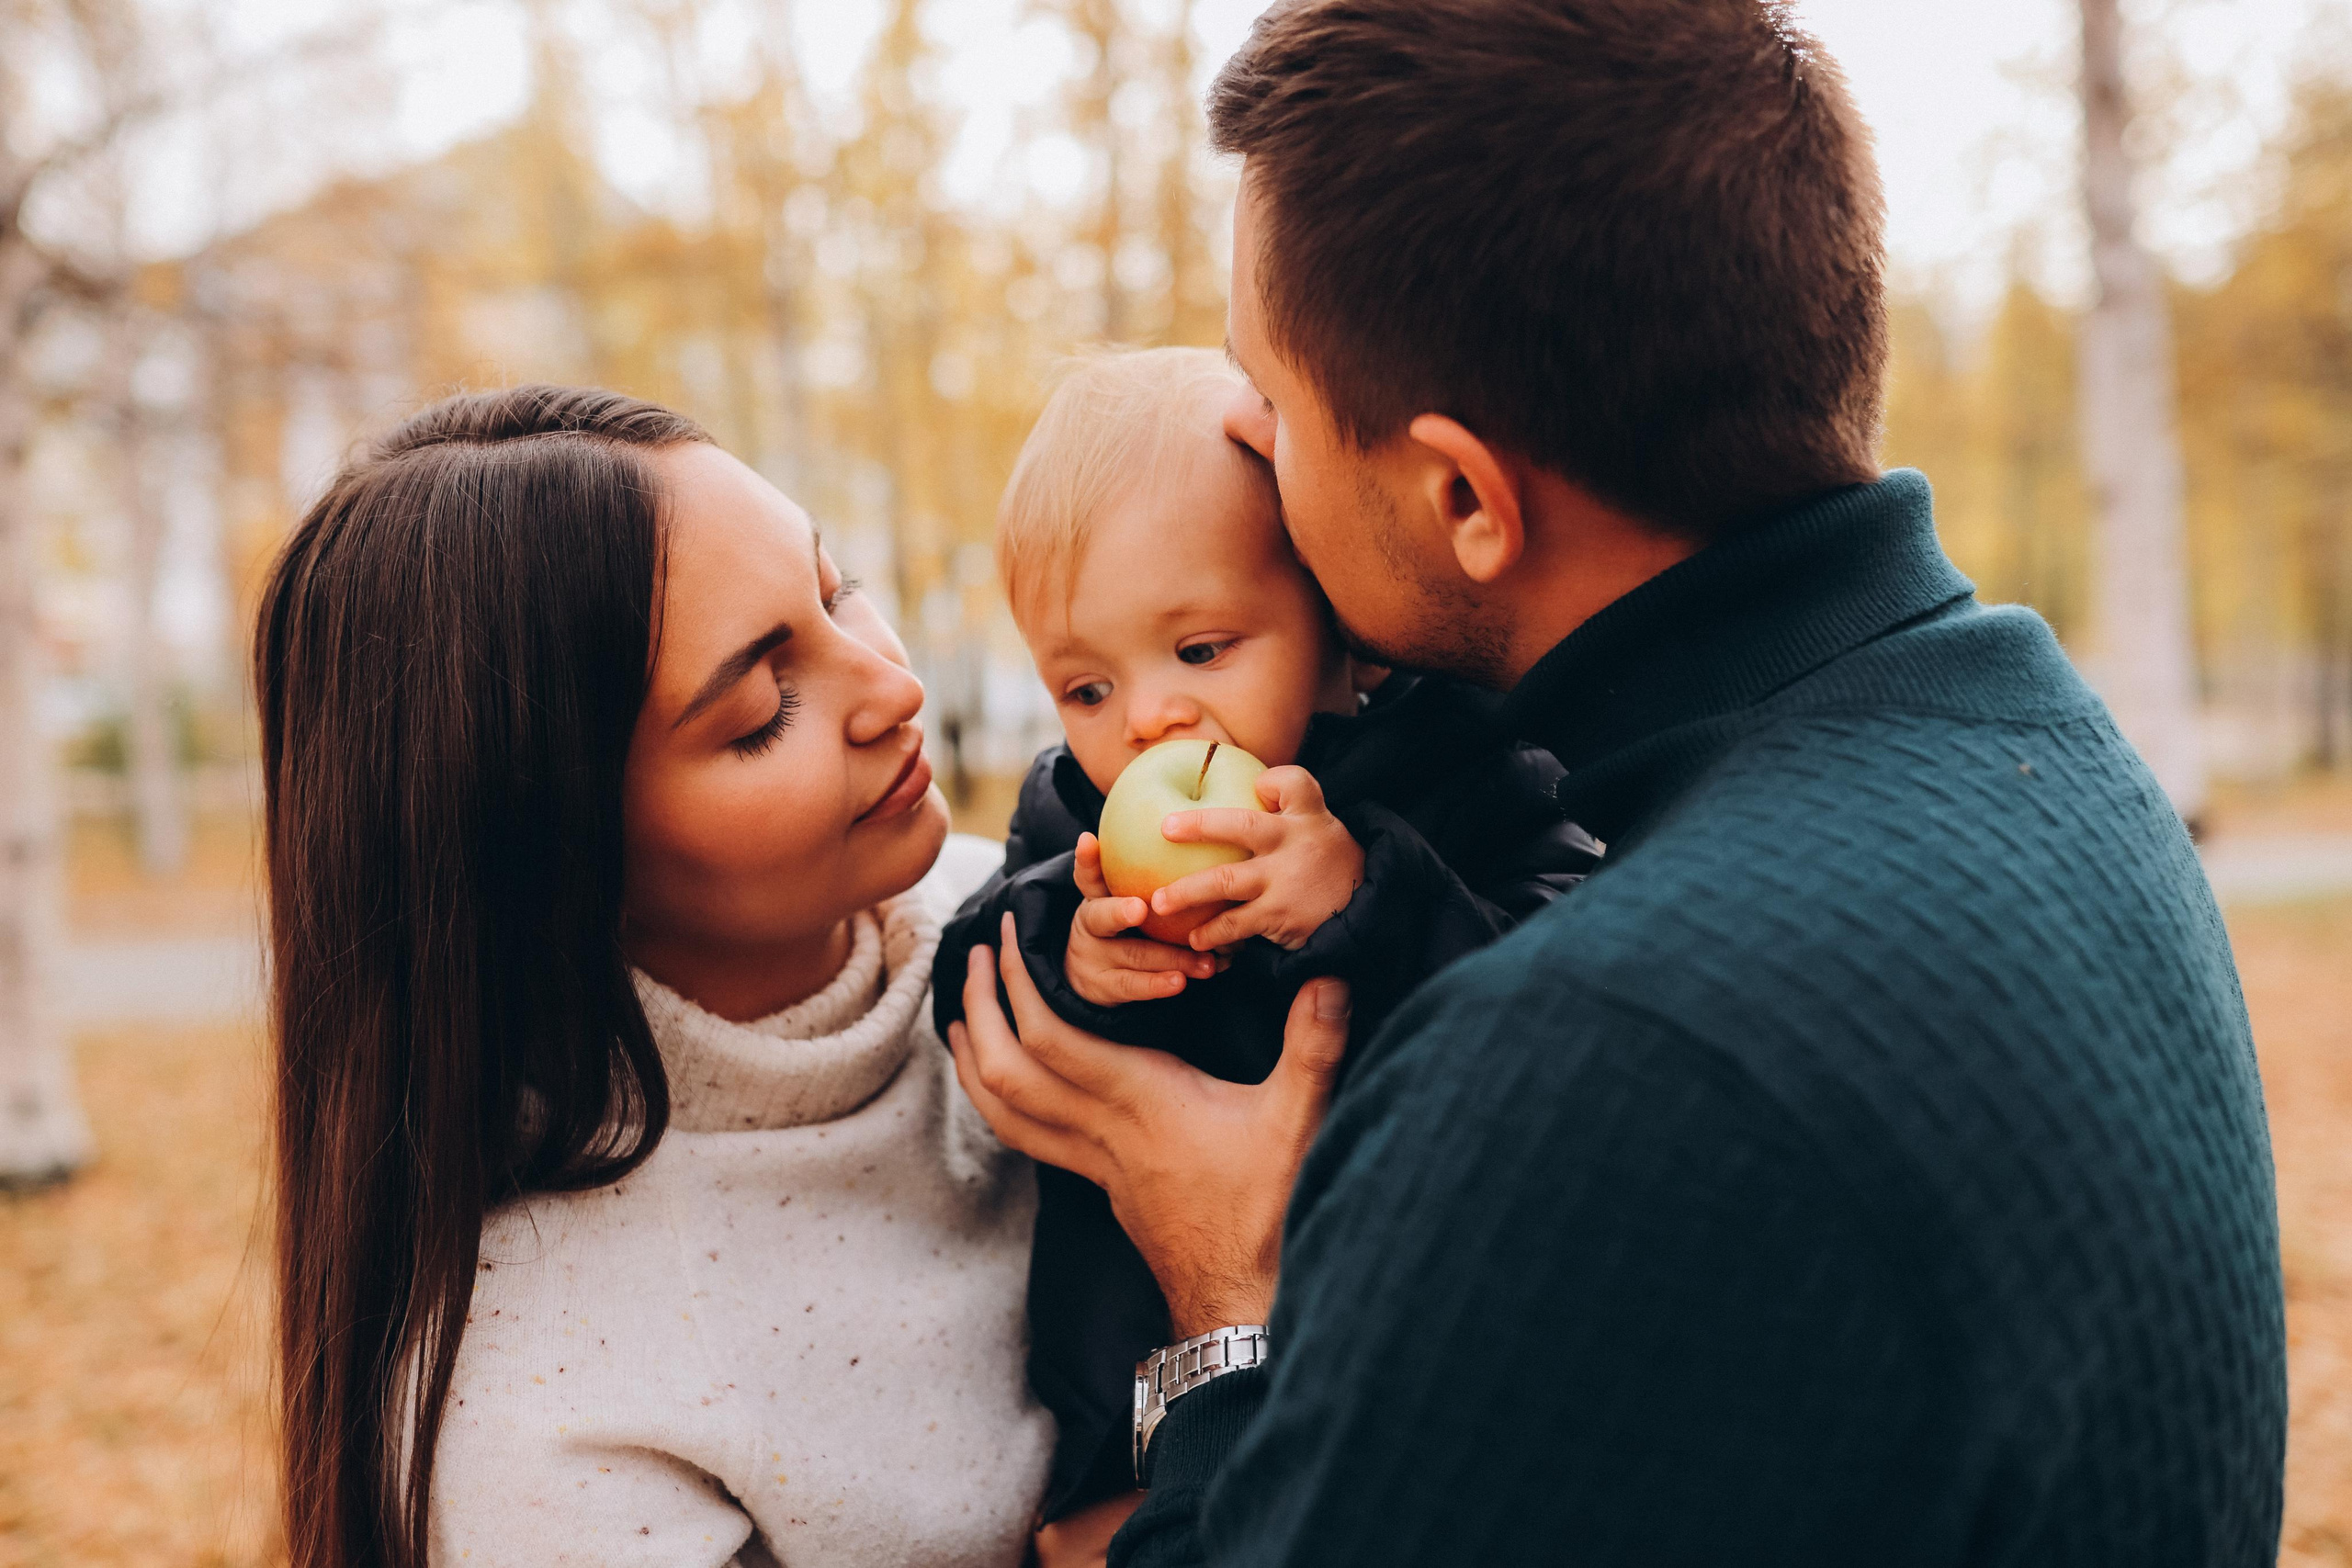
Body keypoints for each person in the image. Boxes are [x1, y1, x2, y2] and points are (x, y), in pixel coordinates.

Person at [947, 3, 2289, 1564]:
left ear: (1464, 496)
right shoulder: (2034, 743)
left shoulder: (1611, 1057)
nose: (1241, 434)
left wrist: (1226, 1306)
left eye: (1274, 398)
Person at [256, 386, 1053, 1568]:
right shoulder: (544, 1420)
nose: (894, 688)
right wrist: (1220, 1311)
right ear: (555, 860)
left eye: (837, 590)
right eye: (762, 710)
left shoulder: (1041, 915)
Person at [930, 346, 1597, 1542]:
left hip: (1413, 1357)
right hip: (1125, 1387)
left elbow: (1553, 981)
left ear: (1347, 629)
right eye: (1085, 688)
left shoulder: (1466, 771)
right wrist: (1070, 959)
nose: (1148, 720)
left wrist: (1365, 895)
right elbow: (969, 971)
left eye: (1199, 650)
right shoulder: (1073, 827)